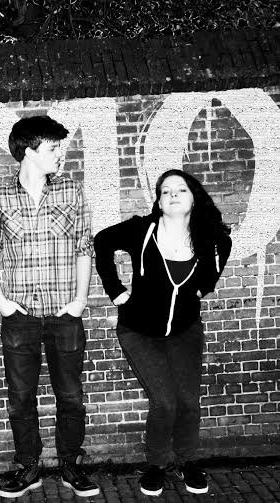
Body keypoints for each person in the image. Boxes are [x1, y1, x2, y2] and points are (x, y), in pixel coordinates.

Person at [0, 116, 99, 498]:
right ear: (29, 152)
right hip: (20, 318)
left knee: (71, 397)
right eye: (52, 148)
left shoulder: (71, 191)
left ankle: (70, 465)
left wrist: (80, 300)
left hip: (65, 315)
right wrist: (1, 302)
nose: (60, 154)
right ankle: (28, 467)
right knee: (20, 398)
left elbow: (84, 247)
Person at [94, 169, 231, 496]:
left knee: (189, 401)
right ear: (158, 201)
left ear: (193, 197)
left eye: (180, 190)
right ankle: (156, 465)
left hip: (185, 331)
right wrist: (116, 291)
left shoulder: (207, 237)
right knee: (165, 402)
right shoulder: (142, 230)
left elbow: (223, 247)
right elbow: (102, 241)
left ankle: (187, 461)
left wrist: (204, 287)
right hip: (139, 331)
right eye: (165, 191)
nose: (172, 195)